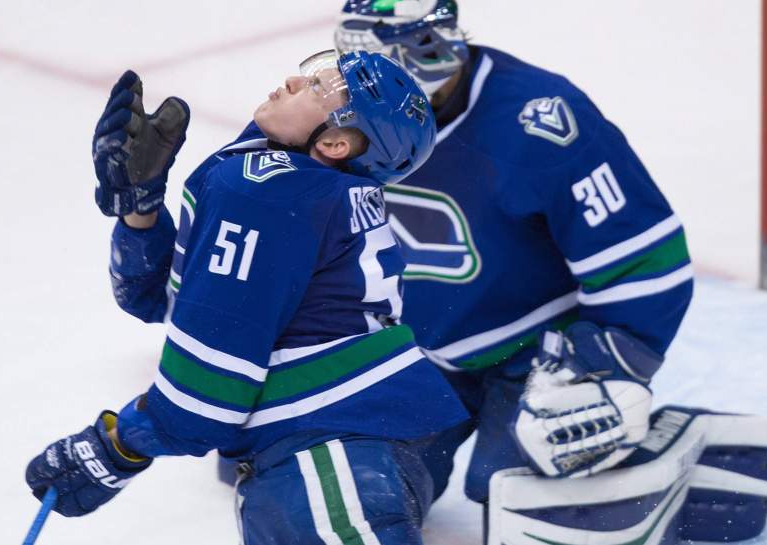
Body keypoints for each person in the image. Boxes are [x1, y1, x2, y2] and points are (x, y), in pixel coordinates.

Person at [333, 2, 767, 543]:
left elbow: (642, 258)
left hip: (539, 353)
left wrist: (604, 366)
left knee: (521, 494)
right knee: (359, 493)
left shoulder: (540, 119)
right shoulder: (330, 114)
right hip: (411, 350)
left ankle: (666, 447)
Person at [25, 49, 468, 545]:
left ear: (337, 143)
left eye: (319, 89)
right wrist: (140, 213)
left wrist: (118, 445)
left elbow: (211, 381)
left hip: (329, 456)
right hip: (355, 443)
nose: (292, 82)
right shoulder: (312, 192)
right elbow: (174, 301)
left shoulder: (270, 193)